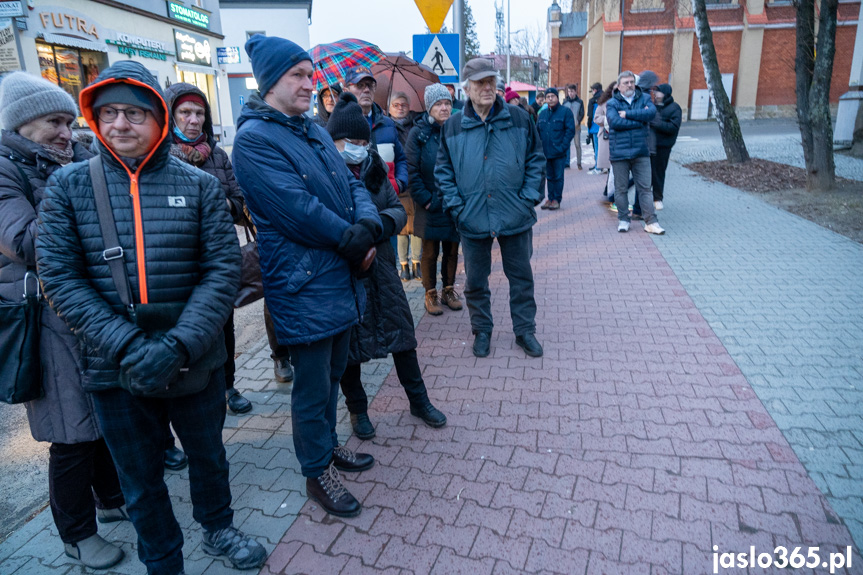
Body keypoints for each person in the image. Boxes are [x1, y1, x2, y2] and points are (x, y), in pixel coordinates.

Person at [35, 60, 266, 575]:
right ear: (93, 118)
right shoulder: (69, 187)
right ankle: (162, 556)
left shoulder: (200, 185)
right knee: (138, 476)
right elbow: (60, 277)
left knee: (208, 456)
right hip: (114, 366)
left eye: (135, 113)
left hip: (196, 358)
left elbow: (221, 270)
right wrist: (130, 345)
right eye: (110, 112)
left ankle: (218, 526)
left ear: (158, 117)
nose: (121, 124)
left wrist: (179, 345)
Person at [231, 35, 381, 518]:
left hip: (336, 273)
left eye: (309, 74)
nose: (308, 83)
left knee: (334, 375)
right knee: (312, 386)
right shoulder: (254, 140)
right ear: (270, 81)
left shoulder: (311, 129)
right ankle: (317, 473)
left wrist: (367, 225)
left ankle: (328, 446)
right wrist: (351, 238)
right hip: (304, 282)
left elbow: (349, 182)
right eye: (297, 75)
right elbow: (298, 211)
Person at [0, 72, 127, 571]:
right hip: (43, 315)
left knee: (100, 415)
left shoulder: (70, 158)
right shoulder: (8, 168)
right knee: (70, 430)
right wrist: (76, 191)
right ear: (23, 123)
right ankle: (76, 533)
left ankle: (112, 498)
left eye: (69, 122)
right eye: (55, 121)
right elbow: (27, 243)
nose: (66, 132)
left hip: (86, 309)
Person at [326, 92, 447, 440]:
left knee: (402, 336)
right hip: (346, 273)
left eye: (364, 141)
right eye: (351, 141)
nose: (359, 147)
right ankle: (358, 411)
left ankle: (419, 400)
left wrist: (373, 227)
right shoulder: (324, 174)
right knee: (350, 349)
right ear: (333, 141)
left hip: (381, 265)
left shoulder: (375, 164)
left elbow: (396, 208)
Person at [435, 58, 545, 359]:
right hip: (472, 218)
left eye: (491, 81)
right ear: (467, 88)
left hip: (515, 214)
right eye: (480, 82)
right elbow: (443, 171)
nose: (488, 87)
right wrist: (458, 207)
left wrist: (528, 196)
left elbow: (536, 158)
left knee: (521, 277)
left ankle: (525, 331)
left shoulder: (519, 118)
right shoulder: (454, 126)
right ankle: (481, 330)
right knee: (475, 281)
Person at [164, 82, 252, 417]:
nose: (193, 119)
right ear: (171, 116)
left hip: (217, 259)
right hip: (178, 261)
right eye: (185, 112)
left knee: (223, 327)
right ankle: (179, 397)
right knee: (180, 330)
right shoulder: (161, 157)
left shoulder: (217, 155)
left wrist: (214, 202)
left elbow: (239, 203)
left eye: (199, 113)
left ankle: (228, 386)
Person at [406, 84, 462, 316]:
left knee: (452, 249)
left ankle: (448, 290)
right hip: (429, 202)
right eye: (439, 104)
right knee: (429, 252)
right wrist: (427, 200)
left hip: (453, 201)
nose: (444, 107)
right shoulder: (418, 134)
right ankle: (430, 293)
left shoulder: (457, 130)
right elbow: (412, 171)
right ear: (429, 108)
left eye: (447, 103)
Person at [606, 70, 664, 235]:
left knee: (645, 188)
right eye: (626, 82)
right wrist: (639, 121)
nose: (630, 85)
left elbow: (651, 114)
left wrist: (628, 115)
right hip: (620, 153)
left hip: (641, 151)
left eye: (632, 82)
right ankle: (624, 219)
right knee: (621, 189)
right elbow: (615, 122)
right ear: (619, 86)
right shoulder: (612, 103)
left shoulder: (645, 98)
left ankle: (651, 222)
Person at [389, 91, 422, 282]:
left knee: (416, 226)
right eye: (396, 104)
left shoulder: (416, 126)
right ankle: (403, 266)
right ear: (390, 107)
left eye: (403, 104)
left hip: (415, 181)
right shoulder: (385, 126)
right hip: (397, 183)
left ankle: (417, 263)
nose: (400, 108)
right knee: (401, 228)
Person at [537, 87, 575, 211]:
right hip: (546, 152)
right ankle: (550, 198)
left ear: (557, 97)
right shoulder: (542, 113)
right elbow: (537, 132)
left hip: (559, 152)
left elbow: (570, 131)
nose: (550, 99)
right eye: (548, 97)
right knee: (549, 177)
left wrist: (563, 146)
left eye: (552, 96)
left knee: (558, 177)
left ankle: (556, 200)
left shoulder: (565, 112)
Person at [631, 71, 659, 222]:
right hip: (646, 144)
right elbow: (653, 118)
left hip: (641, 143)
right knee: (643, 182)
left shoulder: (639, 94)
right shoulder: (645, 96)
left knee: (639, 180)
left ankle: (638, 209)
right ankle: (638, 210)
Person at [649, 83, 681, 211]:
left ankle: (657, 198)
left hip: (663, 147)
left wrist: (657, 124)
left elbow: (673, 127)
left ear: (665, 93)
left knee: (658, 172)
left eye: (658, 92)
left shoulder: (674, 108)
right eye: (655, 92)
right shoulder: (653, 107)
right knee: (646, 173)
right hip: (650, 144)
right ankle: (644, 198)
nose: (656, 94)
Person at [593, 82, 616, 199]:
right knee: (610, 166)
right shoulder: (603, 103)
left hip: (619, 138)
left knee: (615, 167)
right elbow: (596, 118)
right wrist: (608, 119)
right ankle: (609, 192)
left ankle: (609, 191)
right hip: (606, 137)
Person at [562, 83, 585, 170]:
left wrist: (578, 121)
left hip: (576, 127)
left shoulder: (580, 102)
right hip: (567, 127)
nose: (570, 93)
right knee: (566, 145)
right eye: (569, 91)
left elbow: (582, 113)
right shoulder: (565, 102)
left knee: (577, 145)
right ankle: (566, 163)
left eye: (572, 91)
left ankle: (579, 163)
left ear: (575, 92)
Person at [586, 82, 603, 173]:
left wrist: (589, 128)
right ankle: (603, 166)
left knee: (596, 147)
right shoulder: (606, 99)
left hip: (594, 127)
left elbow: (590, 116)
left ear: (595, 90)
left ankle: (598, 166)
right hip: (604, 126)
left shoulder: (592, 101)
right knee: (603, 148)